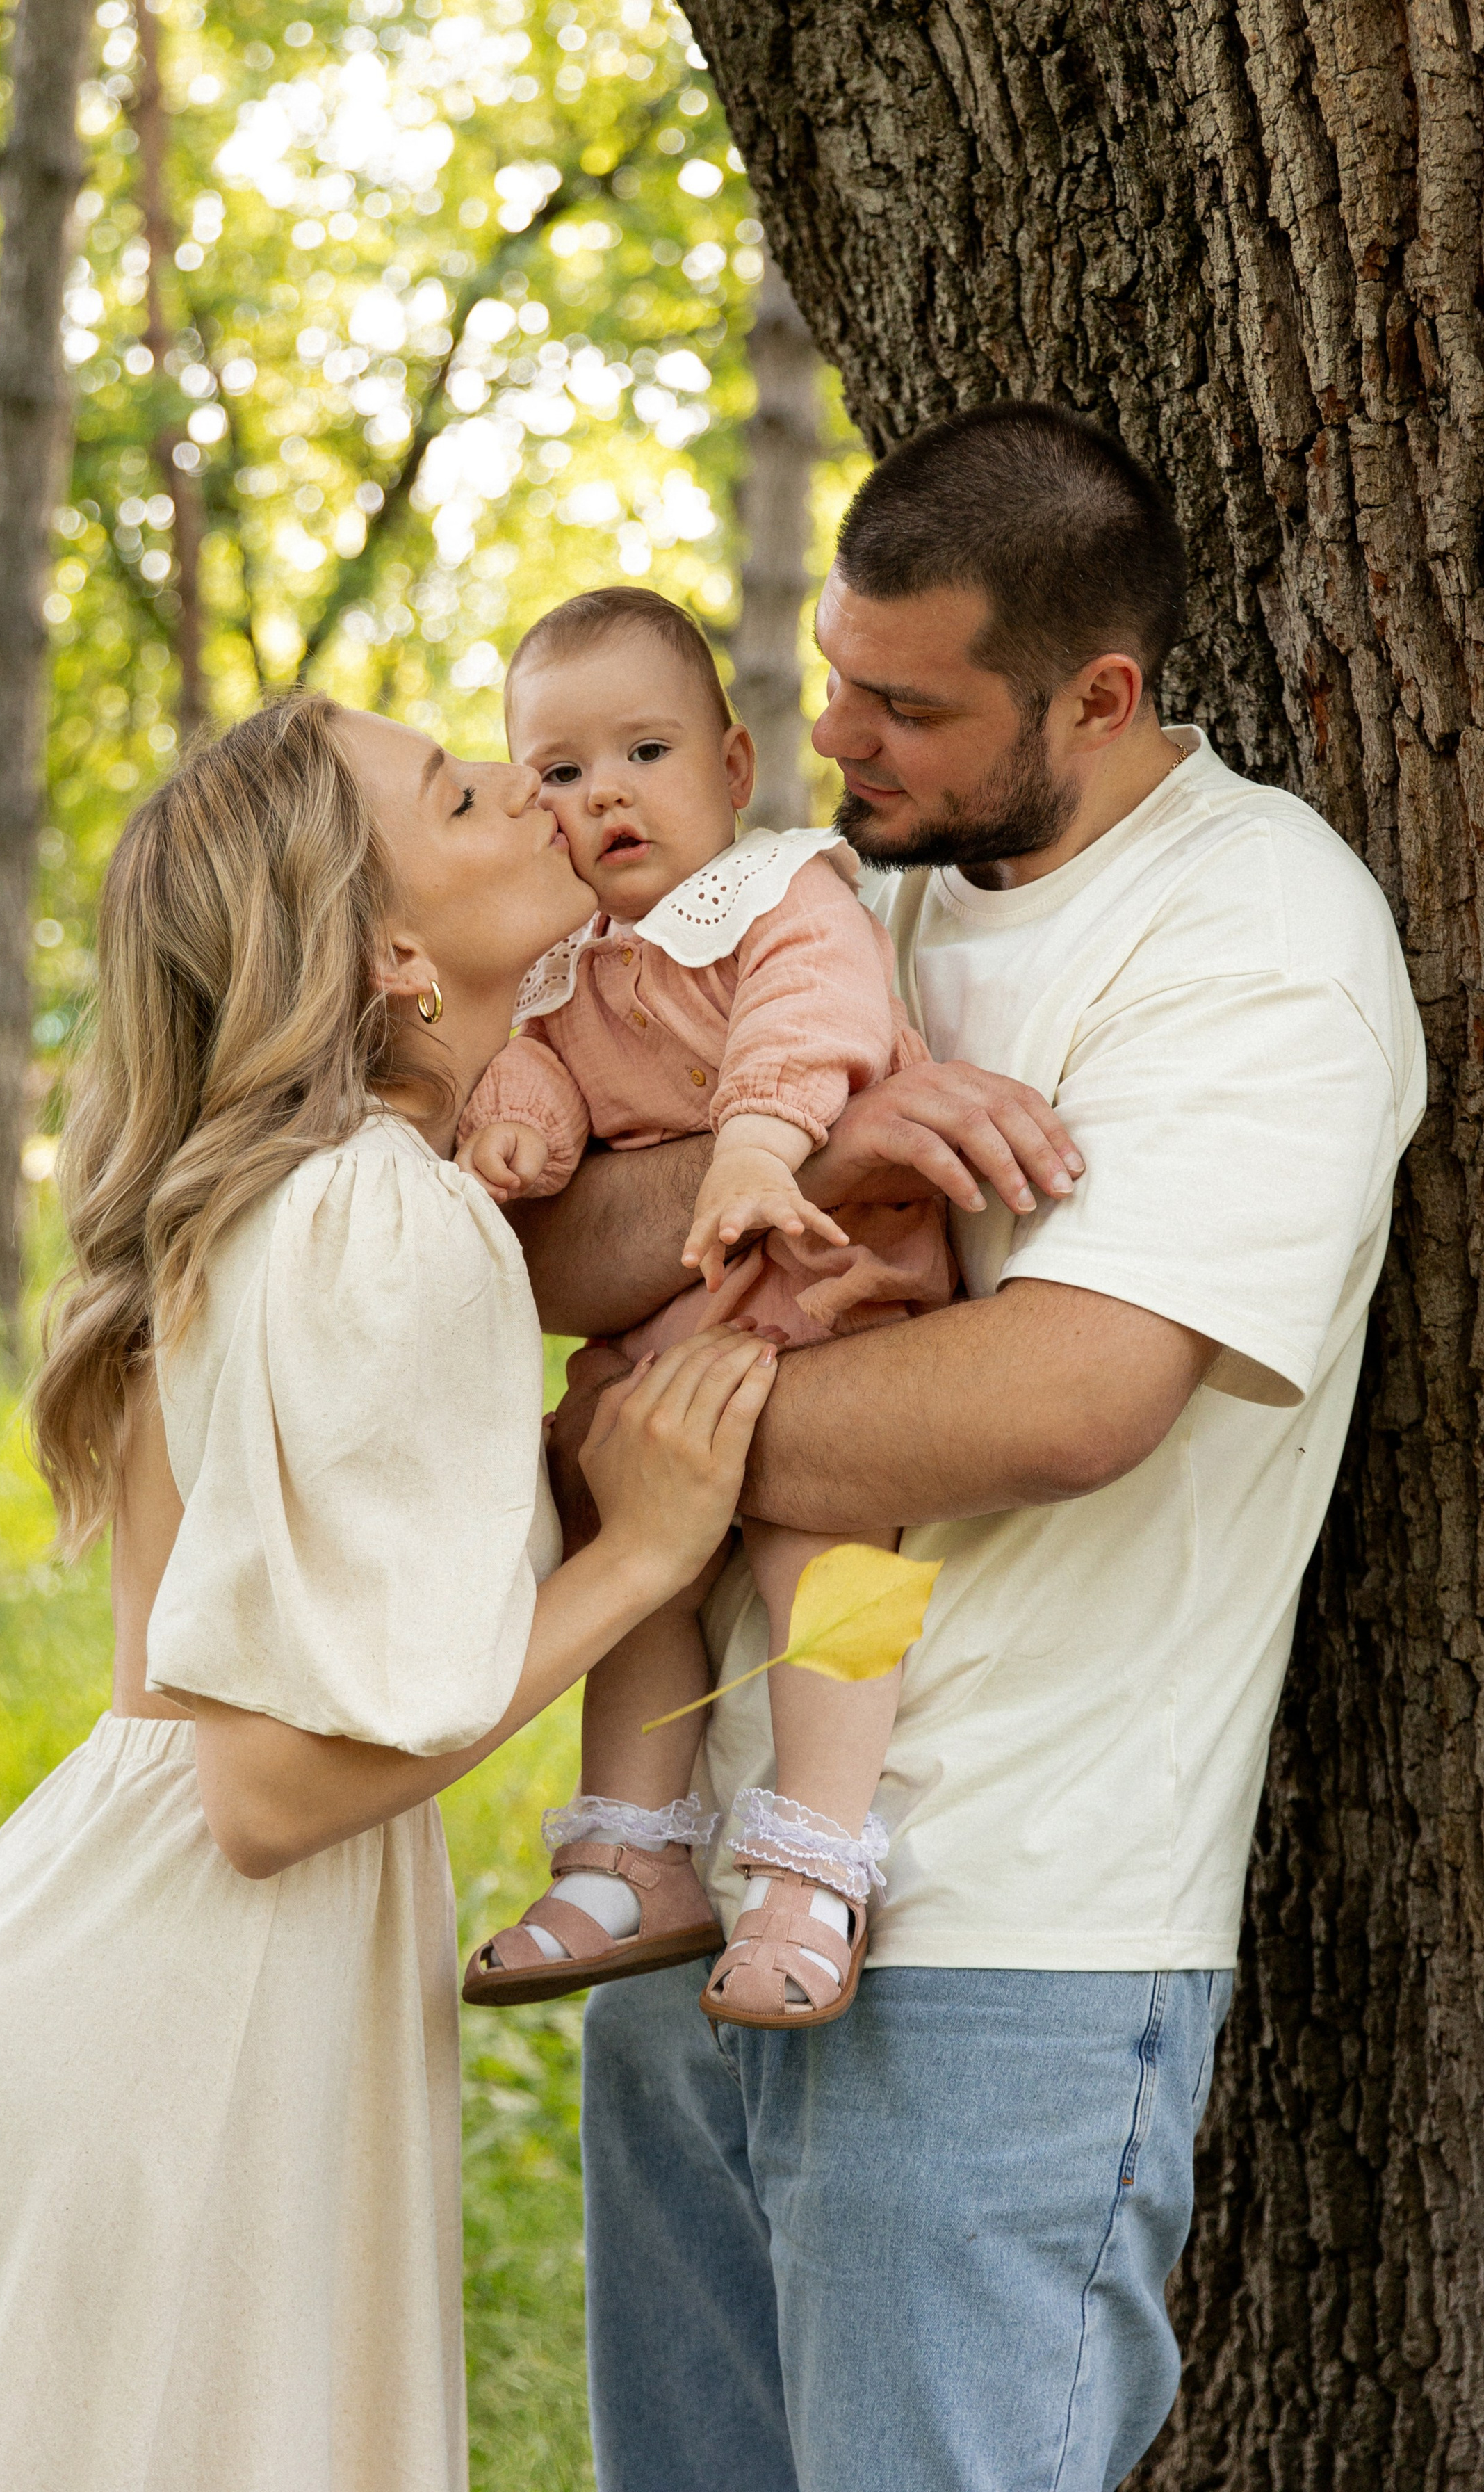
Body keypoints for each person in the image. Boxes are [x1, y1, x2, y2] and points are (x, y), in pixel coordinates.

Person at [514, 405, 1427, 2491]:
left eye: (907, 705)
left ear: (1099, 697)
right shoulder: (841, 888)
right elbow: (566, 1248)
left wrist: (634, 1468)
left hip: (1007, 1936)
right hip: (692, 1889)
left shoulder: (1258, 940)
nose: (839, 737)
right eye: (834, 678)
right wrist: (811, 1147)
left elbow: (1061, 1398)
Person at [0, 692, 782, 2492]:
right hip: (184, 2003)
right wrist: (647, 1550)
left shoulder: (303, 1198)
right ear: (397, 949)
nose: (545, 800)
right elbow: (269, 1793)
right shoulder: (378, 1217)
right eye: (475, 794)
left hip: (125, 1966)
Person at [458, 586, 960, 2026]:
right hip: (675, 1329)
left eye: (644, 753)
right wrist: (516, 1122)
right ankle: (630, 1849)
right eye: (557, 772)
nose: (601, 794)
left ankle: (814, 1860)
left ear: (732, 772)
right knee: (636, 1550)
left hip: (819, 1278)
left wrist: (752, 1143)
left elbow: (816, 1022)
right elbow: (537, 1070)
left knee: (829, 1547)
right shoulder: (557, 969)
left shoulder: (779, 893)